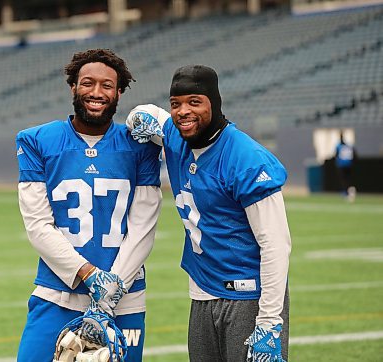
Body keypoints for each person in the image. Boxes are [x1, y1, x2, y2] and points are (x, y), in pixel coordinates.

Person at [126, 65, 292, 362]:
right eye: (175, 104)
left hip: (247, 296)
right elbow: (144, 113)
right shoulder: (176, 138)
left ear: (213, 104)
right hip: (202, 291)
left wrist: (269, 323)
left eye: (194, 102)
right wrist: (137, 119)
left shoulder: (246, 158)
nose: (183, 111)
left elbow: (276, 245)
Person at [15, 48, 162, 361]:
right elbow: (38, 225)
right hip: (58, 292)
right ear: (73, 87)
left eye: (107, 85)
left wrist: (111, 289)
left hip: (124, 297)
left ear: (119, 92)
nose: (97, 92)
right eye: (87, 83)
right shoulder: (36, 140)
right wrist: (89, 274)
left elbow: (143, 226)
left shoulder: (140, 145)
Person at [334, 132, 356, 202]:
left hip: (342, 165)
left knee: (343, 180)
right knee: (348, 179)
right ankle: (349, 191)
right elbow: (354, 155)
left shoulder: (339, 146)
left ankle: (346, 193)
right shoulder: (349, 146)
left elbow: (336, 155)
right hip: (349, 165)